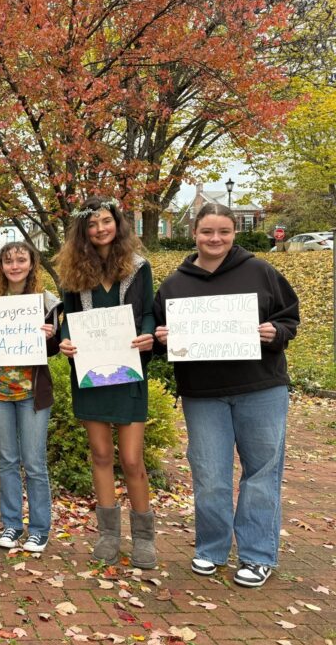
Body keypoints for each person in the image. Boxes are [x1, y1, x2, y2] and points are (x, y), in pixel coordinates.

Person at [153, 203, 299, 588]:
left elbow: (289, 318)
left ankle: (256, 555)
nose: (214, 239)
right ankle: (212, 548)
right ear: (194, 234)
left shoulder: (261, 272)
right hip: (203, 393)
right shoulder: (174, 285)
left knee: (262, 473)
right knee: (210, 475)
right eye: (207, 232)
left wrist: (275, 333)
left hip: (261, 388)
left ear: (233, 234)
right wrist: (162, 339)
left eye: (223, 232)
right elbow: (157, 339)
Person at [56, 196, 157, 569]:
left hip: (128, 369)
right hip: (90, 371)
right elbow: (68, 316)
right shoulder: (72, 271)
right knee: (100, 455)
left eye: (106, 221)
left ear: (117, 223)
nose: (100, 229)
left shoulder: (138, 266)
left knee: (131, 459)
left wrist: (147, 335)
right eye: (93, 224)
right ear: (83, 232)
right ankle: (108, 534)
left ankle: (144, 537)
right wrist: (65, 338)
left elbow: (148, 312)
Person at [0, 242, 61, 553]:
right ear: (0, 266)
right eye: (8, 261)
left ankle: (39, 529)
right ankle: (11, 525)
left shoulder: (45, 302)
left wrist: (51, 337)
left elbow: (54, 351)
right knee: (7, 461)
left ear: (31, 264)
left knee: (35, 463)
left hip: (32, 392)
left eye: (21, 260)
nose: (14, 266)